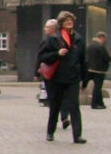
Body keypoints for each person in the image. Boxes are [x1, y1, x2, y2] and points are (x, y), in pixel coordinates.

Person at [37, 10, 87, 143]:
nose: (69, 22)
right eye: (66, 20)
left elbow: (83, 60)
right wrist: (57, 54)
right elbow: (42, 56)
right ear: (61, 23)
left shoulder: (78, 39)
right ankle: (50, 131)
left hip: (73, 77)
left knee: (74, 106)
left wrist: (85, 79)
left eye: (71, 19)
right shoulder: (54, 39)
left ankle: (77, 136)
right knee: (55, 106)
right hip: (56, 78)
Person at [86, 32, 111, 109]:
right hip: (99, 70)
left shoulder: (90, 45)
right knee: (97, 87)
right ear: (102, 38)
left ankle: (100, 103)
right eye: (104, 39)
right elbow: (106, 57)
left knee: (97, 87)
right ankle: (94, 103)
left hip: (90, 68)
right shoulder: (100, 46)